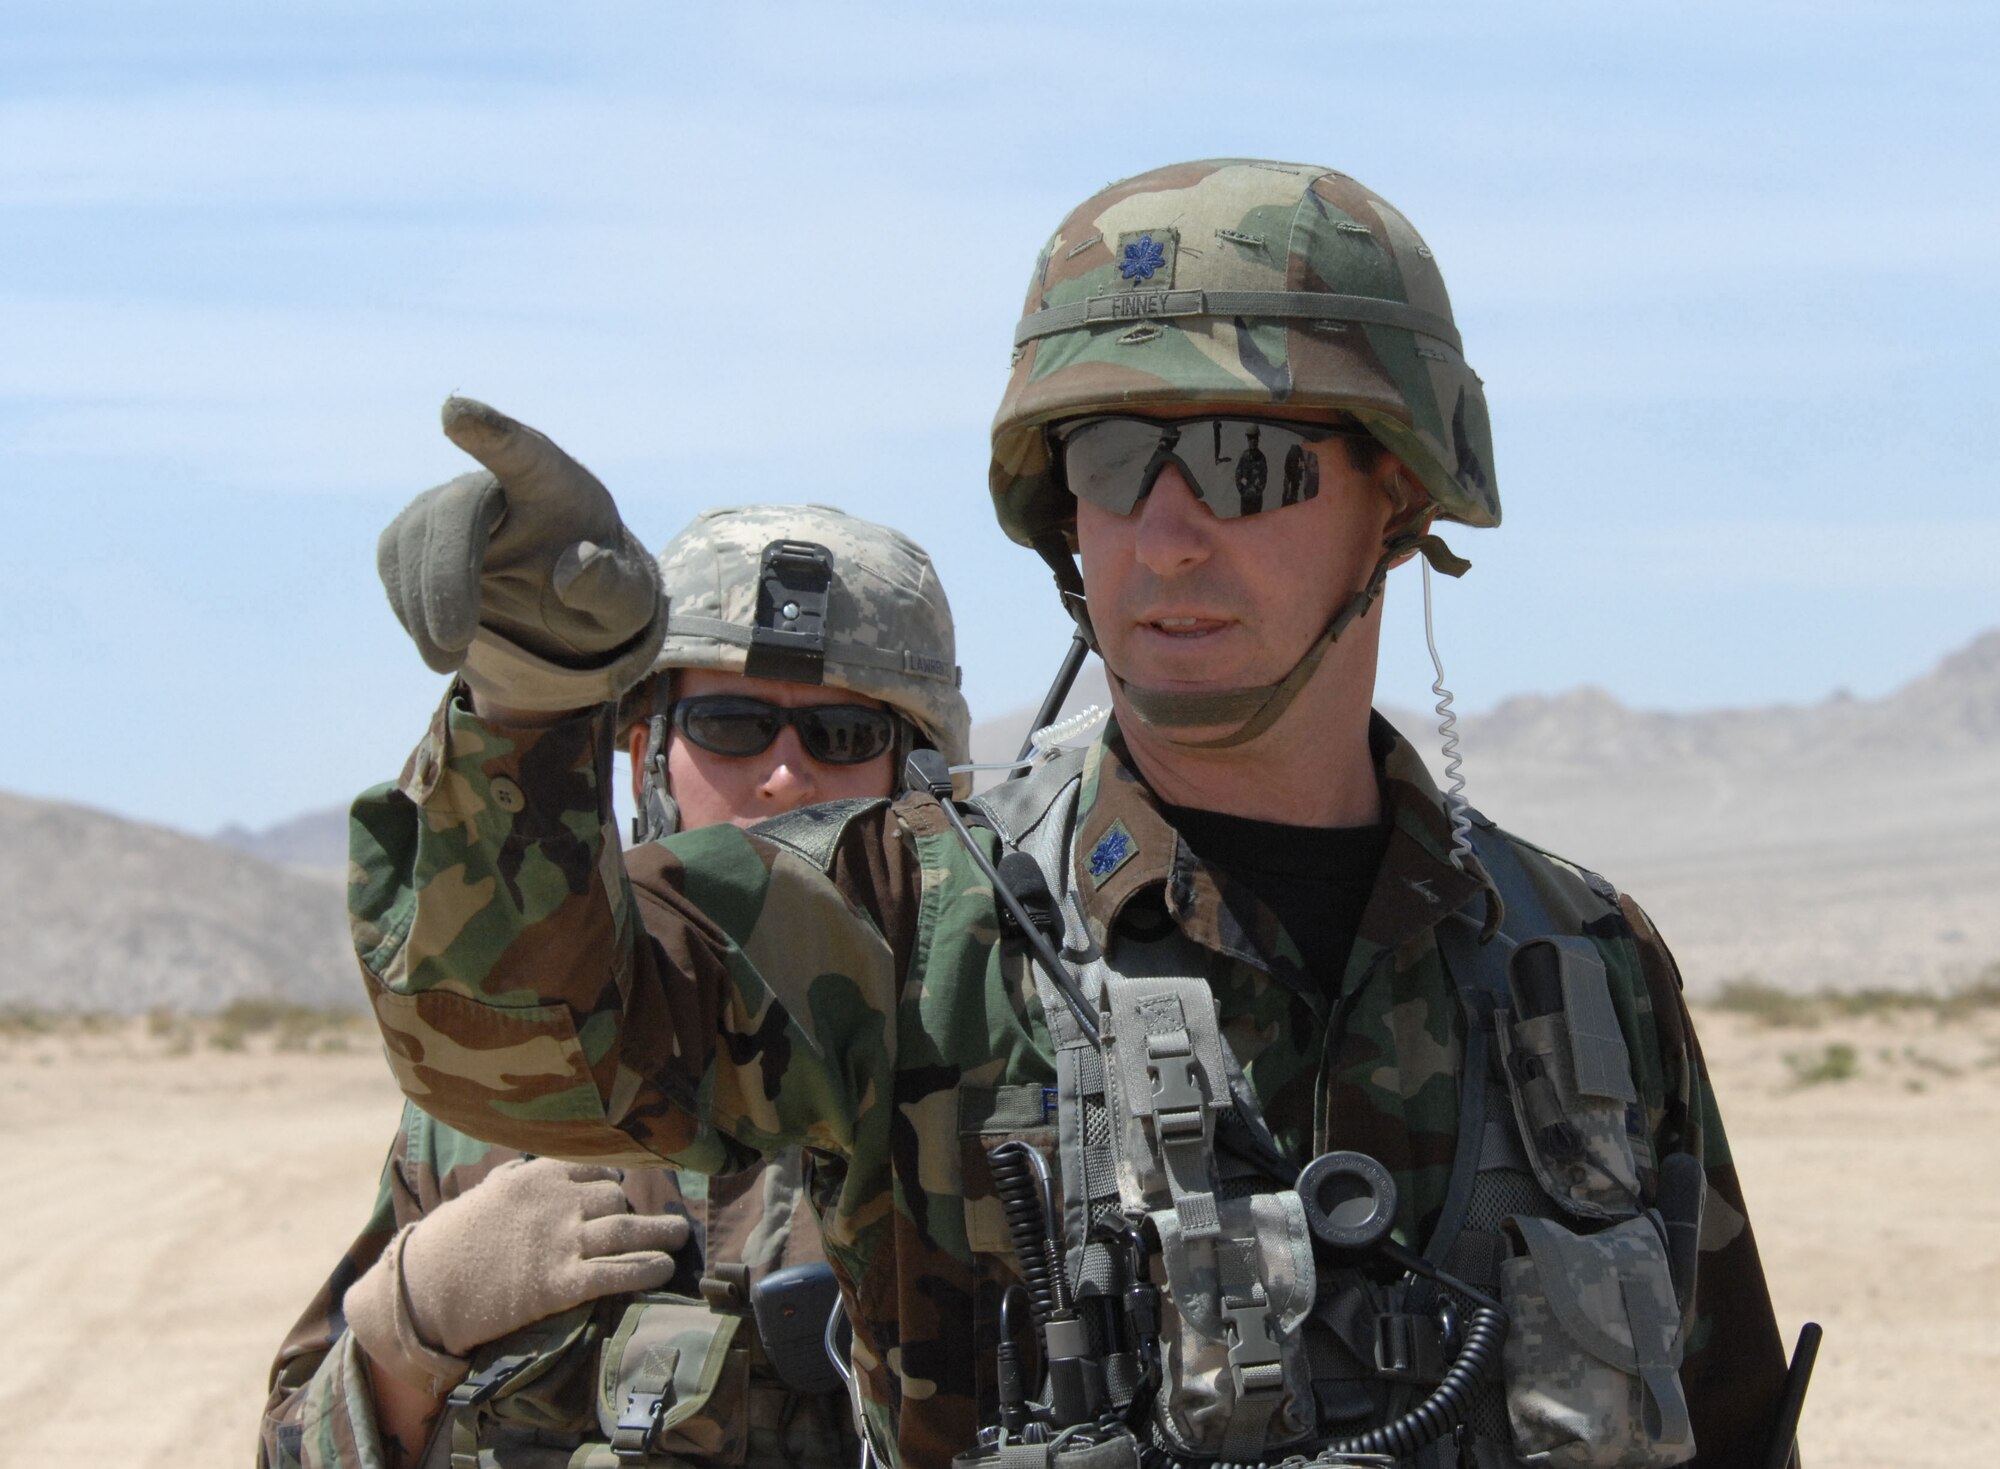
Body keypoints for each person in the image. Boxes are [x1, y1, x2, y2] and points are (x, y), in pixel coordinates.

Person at [342, 160, 1793, 1469]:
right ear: (1060, 512)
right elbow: (518, 1048)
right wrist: (532, 708)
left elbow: (1726, 1424)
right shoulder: (899, 925)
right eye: (1110, 462)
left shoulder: (1579, 967)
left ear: (1397, 497)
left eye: (1245, 461)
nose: (1166, 534)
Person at [260, 503, 972, 1469]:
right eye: (732, 723)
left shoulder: (983, 1088)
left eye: (843, 734)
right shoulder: (509, 1096)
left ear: (919, 775)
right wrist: (406, 1335)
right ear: (646, 757)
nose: (783, 776)